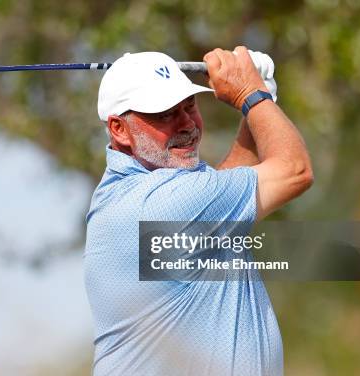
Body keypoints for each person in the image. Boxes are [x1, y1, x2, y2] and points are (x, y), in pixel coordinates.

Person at [84, 46, 313, 375]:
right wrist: (251, 95)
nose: (186, 124)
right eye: (164, 114)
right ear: (119, 129)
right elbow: (295, 171)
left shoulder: (144, 196)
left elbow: (221, 194)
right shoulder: (156, 206)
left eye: (189, 105)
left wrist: (261, 99)